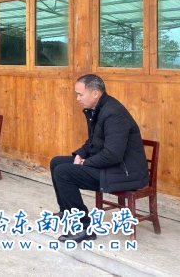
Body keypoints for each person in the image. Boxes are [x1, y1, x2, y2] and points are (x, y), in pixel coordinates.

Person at [50, 74, 149, 243]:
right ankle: (66, 212)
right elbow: (94, 141)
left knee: (63, 172)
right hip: (112, 167)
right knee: (57, 162)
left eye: (80, 94)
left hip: (124, 173)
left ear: (95, 93)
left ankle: (84, 228)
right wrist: (80, 154)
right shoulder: (100, 109)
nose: (77, 99)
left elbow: (113, 154)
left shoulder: (113, 113)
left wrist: (85, 163)